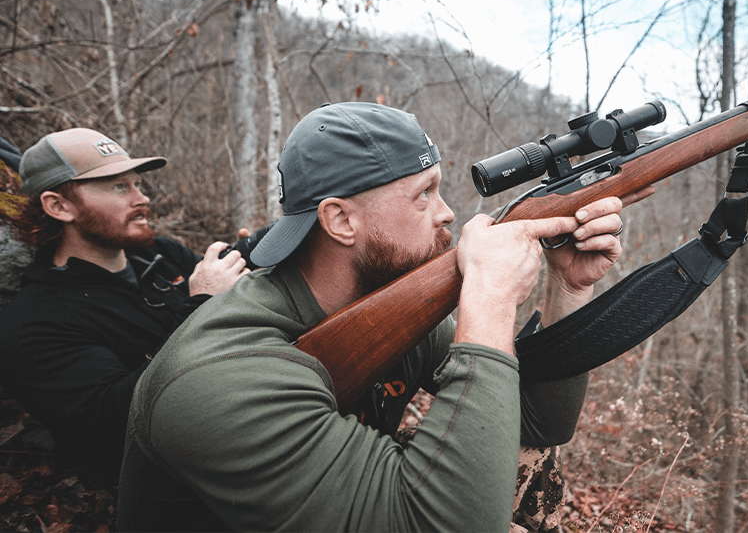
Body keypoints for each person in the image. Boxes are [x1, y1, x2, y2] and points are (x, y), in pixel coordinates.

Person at [118, 102, 649, 532]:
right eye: (423, 195)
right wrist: (487, 300)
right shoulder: (217, 378)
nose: (446, 213)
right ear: (341, 220)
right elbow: (439, 525)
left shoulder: (380, 310)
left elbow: (540, 423)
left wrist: (568, 287)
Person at [0, 127, 250, 472]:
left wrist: (253, 268)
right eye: (119, 186)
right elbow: (121, 421)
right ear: (59, 206)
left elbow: (239, 310)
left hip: (242, 413)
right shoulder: (34, 322)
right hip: (168, 481)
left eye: (138, 184)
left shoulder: (160, 255)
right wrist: (204, 306)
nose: (142, 198)